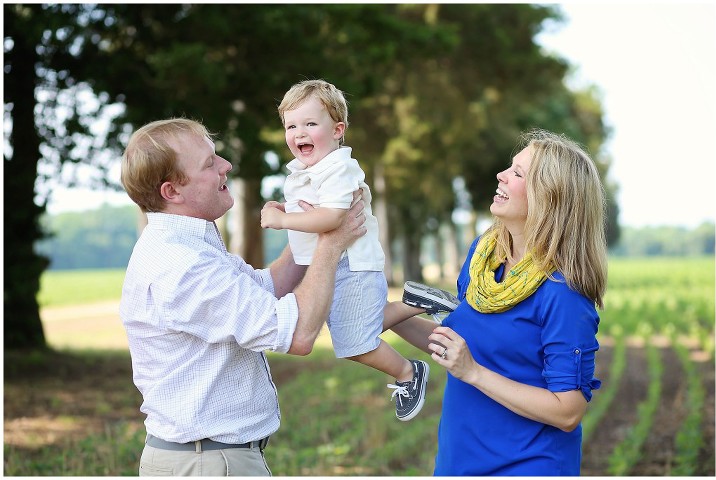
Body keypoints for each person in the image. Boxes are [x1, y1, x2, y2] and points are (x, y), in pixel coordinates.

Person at [118, 117, 368, 476]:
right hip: (207, 464)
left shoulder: (188, 245)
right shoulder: (181, 264)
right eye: (209, 164)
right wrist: (330, 244)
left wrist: (307, 225)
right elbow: (297, 334)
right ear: (172, 191)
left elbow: (264, 290)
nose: (226, 166)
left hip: (211, 459)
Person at [391, 129, 607, 475]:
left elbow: (568, 411)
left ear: (548, 196)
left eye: (518, 173)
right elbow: (456, 345)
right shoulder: (484, 256)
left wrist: (474, 373)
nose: (501, 175)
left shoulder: (564, 292)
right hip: (458, 461)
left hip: (527, 465)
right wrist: (381, 316)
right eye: (510, 167)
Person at [260, 79, 460, 421]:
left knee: (355, 342)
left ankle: (408, 373)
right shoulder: (306, 171)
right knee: (356, 328)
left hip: (349, 263)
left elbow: (333, 216)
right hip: (333, 265)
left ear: (338, 130)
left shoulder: (338, 167)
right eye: (291, 126)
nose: (300, 133)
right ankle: (418, 303)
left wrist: (282, 221)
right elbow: (316, 213)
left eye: (310, 123)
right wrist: (286, 210)